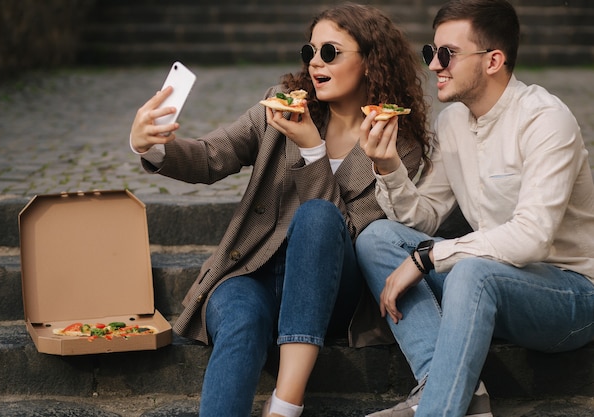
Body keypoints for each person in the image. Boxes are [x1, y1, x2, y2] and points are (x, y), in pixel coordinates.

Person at [129, 3, 432, 416]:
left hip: (330, 292)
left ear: (369, 61)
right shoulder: (284, 106)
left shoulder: (396, 144)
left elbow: (350, 233)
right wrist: (150, 144)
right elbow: (212, 155)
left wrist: (312, 151)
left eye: (331, 53)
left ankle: (286, 405)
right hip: (253, 269)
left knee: (318, 216)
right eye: (310, 52)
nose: (315, 63)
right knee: (240, 320)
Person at [356, 0, 594, 416]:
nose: (433, 66)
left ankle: (436, 411)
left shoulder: (545, 120)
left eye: (446, 54)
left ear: (493, 61)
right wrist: (388, 166)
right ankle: (451, 389)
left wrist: (430, 256)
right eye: (431, 53)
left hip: (571, 294)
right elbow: (425, 216)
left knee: (469, 267)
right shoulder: (452, 124)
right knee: (377, 238)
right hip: (487, 282)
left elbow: (532, 238)